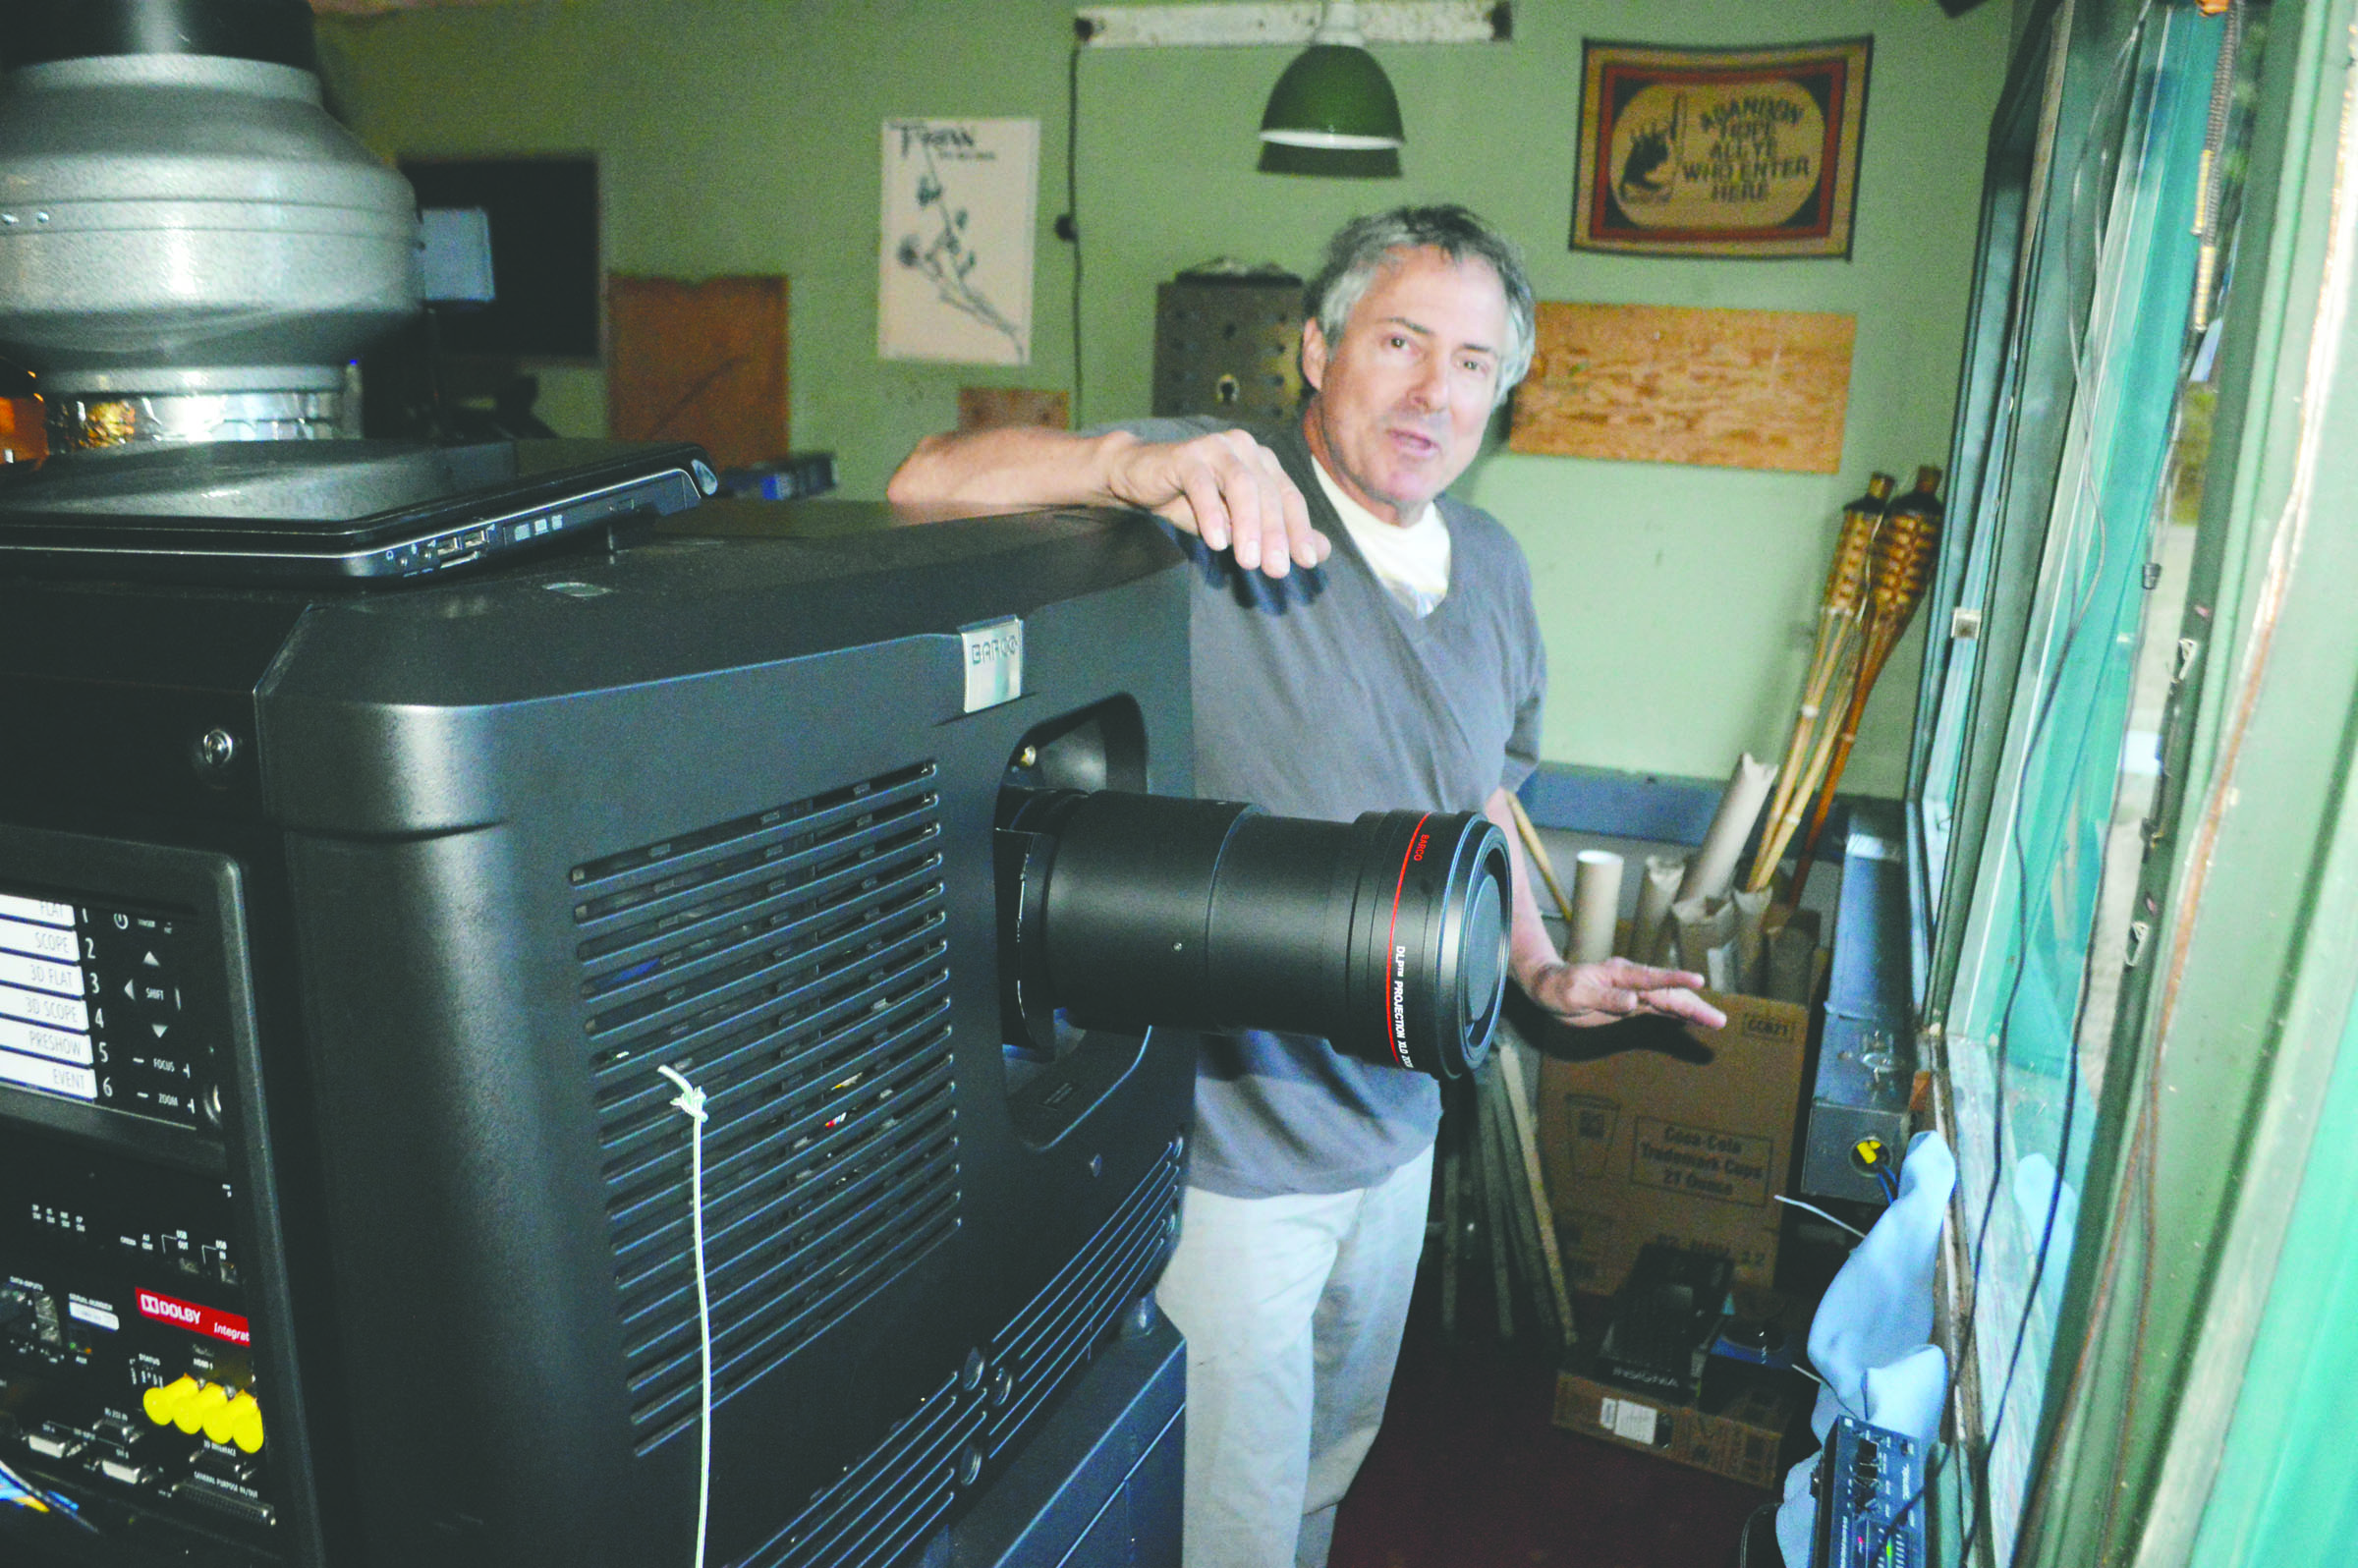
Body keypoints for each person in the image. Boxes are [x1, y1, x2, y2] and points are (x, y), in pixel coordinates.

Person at [889, 205, 1725, 1568]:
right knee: (1222, 1527)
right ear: (1317, 347)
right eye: (1398, 341)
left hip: (1397, 1137)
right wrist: (1126, 465)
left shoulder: (1496, 569)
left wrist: (1534, 964)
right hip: (1231, 1157)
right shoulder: (1215, 498)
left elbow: (1484, 804)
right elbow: (924, 480)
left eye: (1469, 362)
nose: (1430, 390)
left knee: (1329, 1476)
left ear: (1500, 397)